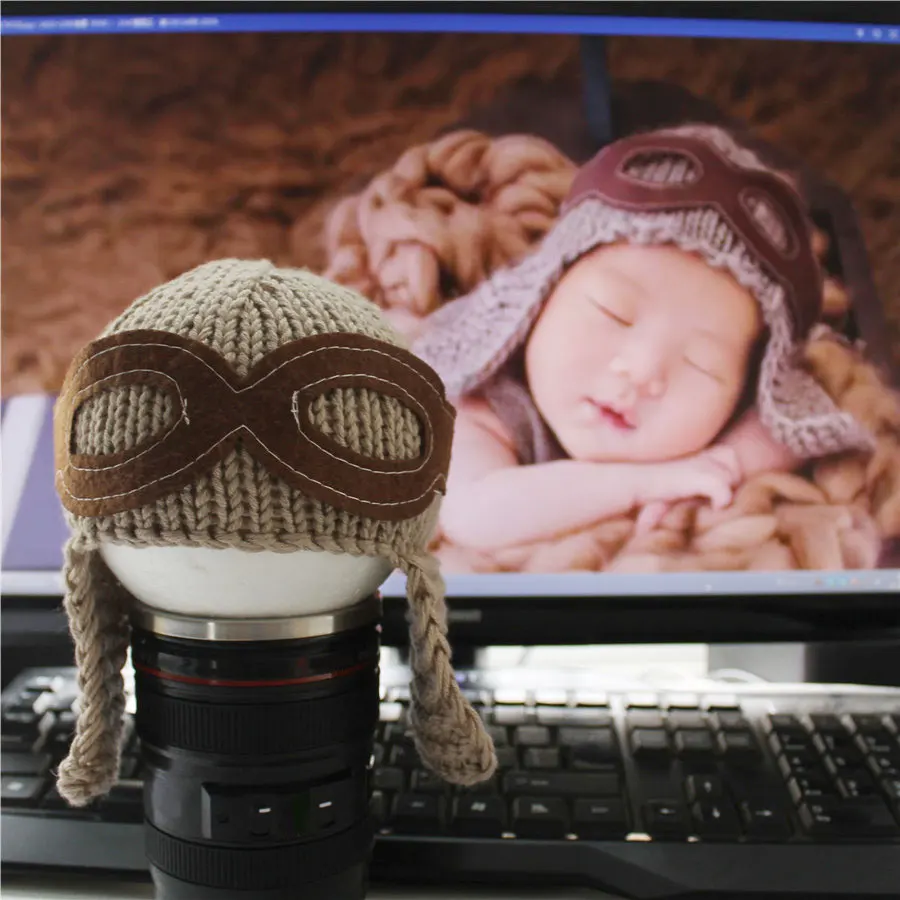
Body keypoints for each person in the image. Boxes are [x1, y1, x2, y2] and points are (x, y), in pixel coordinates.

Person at [412, 124, 873, 552]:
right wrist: (649, 481)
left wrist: (724, 460)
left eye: (702, 365)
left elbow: (792, 430)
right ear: (543, 292)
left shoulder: (751, 403)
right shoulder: (484, 397)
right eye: (613, 313)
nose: (642, 370)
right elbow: (476, 514)